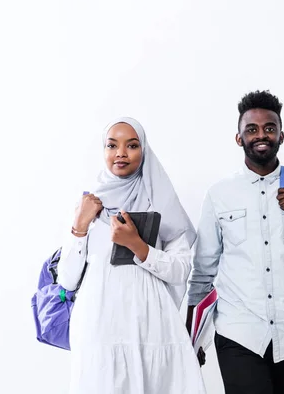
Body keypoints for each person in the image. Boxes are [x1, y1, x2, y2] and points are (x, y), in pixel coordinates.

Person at [187, 90, 284, 394]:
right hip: (239, 334)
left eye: (269, 128)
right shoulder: (220, 194)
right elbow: (203, 272)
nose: (261, 135)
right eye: (252, 129)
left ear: (281, 135)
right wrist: (192, 338)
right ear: (239, 138)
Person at [57, 117, 206, 394]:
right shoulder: (87, 206)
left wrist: (139, 246)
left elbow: (180, 270)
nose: (121, 153)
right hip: (100, 326)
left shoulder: (160, 202)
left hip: (152, 325)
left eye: (132, 145)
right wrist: (78, 227)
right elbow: (66, 280)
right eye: (112, 145)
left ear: (144, 151)